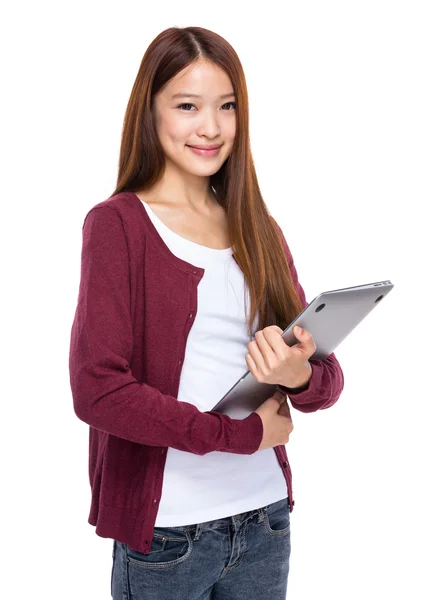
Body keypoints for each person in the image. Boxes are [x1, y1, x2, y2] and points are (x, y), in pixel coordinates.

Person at [68, 26, 344, 600]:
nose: (211, 127)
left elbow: (324, 378)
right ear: (151, 111)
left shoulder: (258, 228)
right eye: (187, 105)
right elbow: (98, 391)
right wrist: (239, 435)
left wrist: (299, 375)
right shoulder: (118, 224)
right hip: (168, 535)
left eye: (227, 106)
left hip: (265, 520)